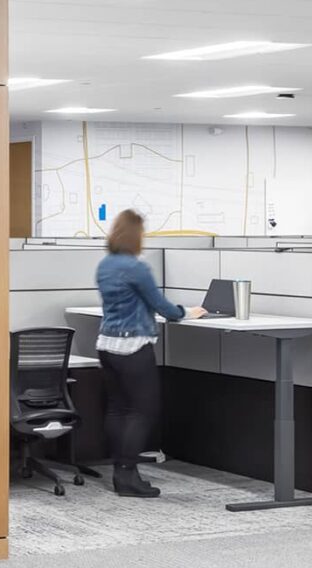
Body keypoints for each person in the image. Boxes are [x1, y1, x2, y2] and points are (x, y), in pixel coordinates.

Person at [95, 210, 205, 498]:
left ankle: (122, 471)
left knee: (118, 409)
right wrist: (188, 312)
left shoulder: (105, 265)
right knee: (142, 411)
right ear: (136, 235)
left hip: (107, 344)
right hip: (133, 346)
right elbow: (163, 307)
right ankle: (127, 475)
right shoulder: (136, 268)